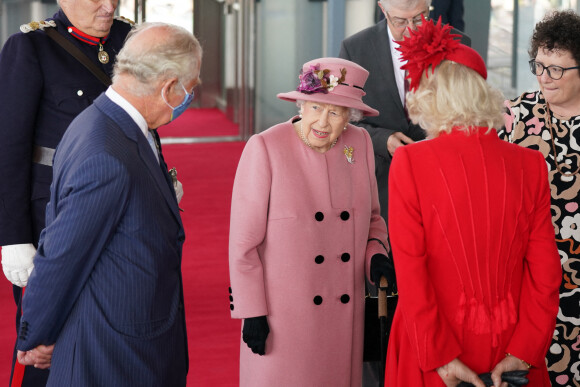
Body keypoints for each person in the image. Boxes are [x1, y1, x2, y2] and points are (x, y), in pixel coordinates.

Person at [14, 22, 201, 386]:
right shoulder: (107, 153)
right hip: (117, 354)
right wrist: (36, 335)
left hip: (128, 336)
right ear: (167, 88)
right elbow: (61, 256)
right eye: (190, 89)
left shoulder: (107, 120)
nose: (189, 98)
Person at [385, 18, 562, 387]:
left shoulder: (410, 163)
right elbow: (546, 273)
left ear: (429, 96)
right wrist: (525, 350)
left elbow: (411, 273)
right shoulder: (530, 165)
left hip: (434, 348)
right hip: (512, 345)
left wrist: (441, 357)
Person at [228, 57, 396, 386]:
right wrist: (252, 311)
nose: (323, 121)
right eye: (316, 107)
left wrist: (375, 254)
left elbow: (374, 219)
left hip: (342, 318)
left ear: (351, 116)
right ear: (301, 104)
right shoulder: (266, 147)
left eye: (335, 112)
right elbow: (243, 244)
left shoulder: (358, 144)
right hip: (284, 320)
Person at [0, 1, 133, 385]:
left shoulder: (130, 38)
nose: (108, 6)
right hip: (56, 218)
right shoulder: (31, 47)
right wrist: (13, 237)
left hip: (125, 212)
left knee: (116, 330)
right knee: (49, 343)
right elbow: (8, 148)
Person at [500, 9, 580, 386]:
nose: (544, 77)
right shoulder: (515, 114)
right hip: (529, 279)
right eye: (539, 65)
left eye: (557, 69)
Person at [339, 0, 470, 224]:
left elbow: (470, 112)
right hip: (381, 186)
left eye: (420, 17)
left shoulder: (458, 43)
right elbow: (342, 119)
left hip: (443, 179)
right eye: (400, 21)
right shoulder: (356, 48)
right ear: (383, 10)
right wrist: (383, 140)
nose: (412, 29)